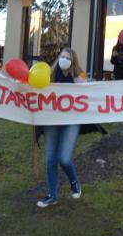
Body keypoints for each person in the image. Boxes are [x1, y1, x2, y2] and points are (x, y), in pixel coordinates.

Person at [36, 47, 87, 208]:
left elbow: (87, 94)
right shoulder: (49, 75)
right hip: (52, 121)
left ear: (73, 62)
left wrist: (82, 84)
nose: (64, 60)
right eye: (62, 56)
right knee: (50, 159)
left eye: (68, 58)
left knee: (64, 158)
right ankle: (52, 195)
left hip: (71, 122)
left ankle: (74, 182)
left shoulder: (78, 77)